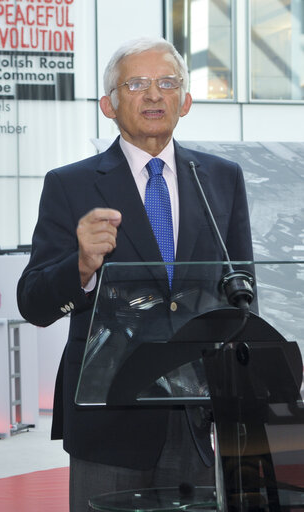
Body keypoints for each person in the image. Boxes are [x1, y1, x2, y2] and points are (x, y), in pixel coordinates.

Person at [17, 37, 253, 511]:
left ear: (185, 101)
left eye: (167, 83)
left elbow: (241, 293)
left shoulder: (221, 179)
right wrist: (81, 266)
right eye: (137, 84)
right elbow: (34, 302)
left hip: (198, 420)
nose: (153, 95)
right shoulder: (71, 184)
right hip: (110, 417)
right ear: (109, 104)